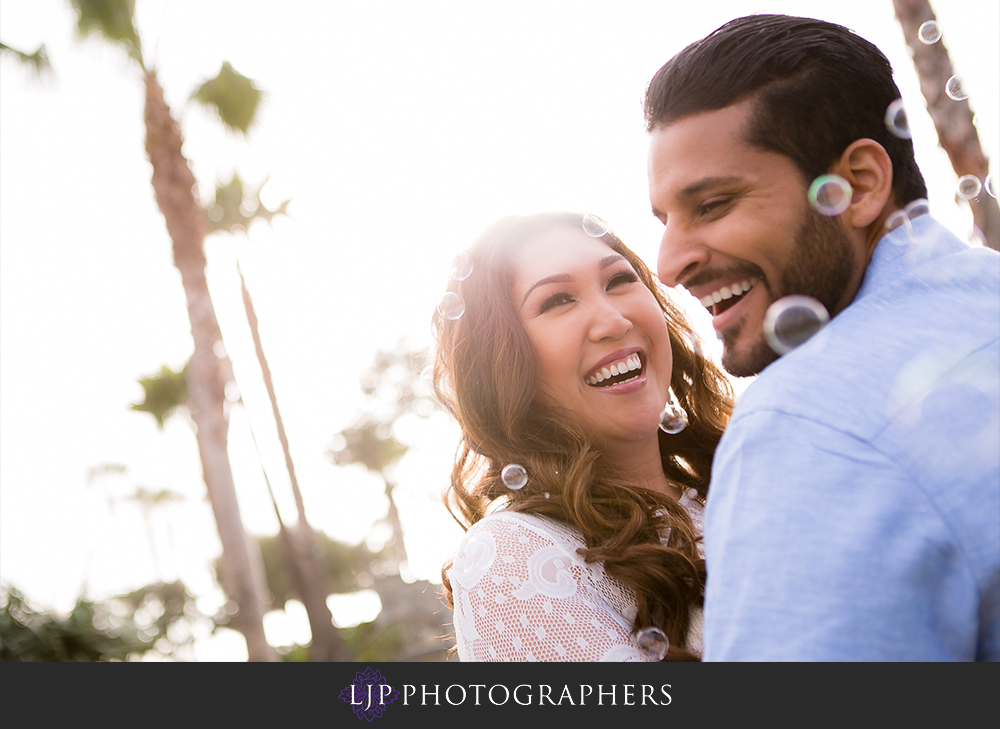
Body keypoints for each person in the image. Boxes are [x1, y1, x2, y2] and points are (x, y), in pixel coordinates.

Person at [644, 14, 1000, 661]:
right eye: (665, 219)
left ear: (858, 185)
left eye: (713, 204)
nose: (668, 264)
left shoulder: (807, 423)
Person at [431, 212, 733, 661]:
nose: (613, 321)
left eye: (618, 281)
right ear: (504, 364)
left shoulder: (738, 494)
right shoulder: (517, 555)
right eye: (556, 301)